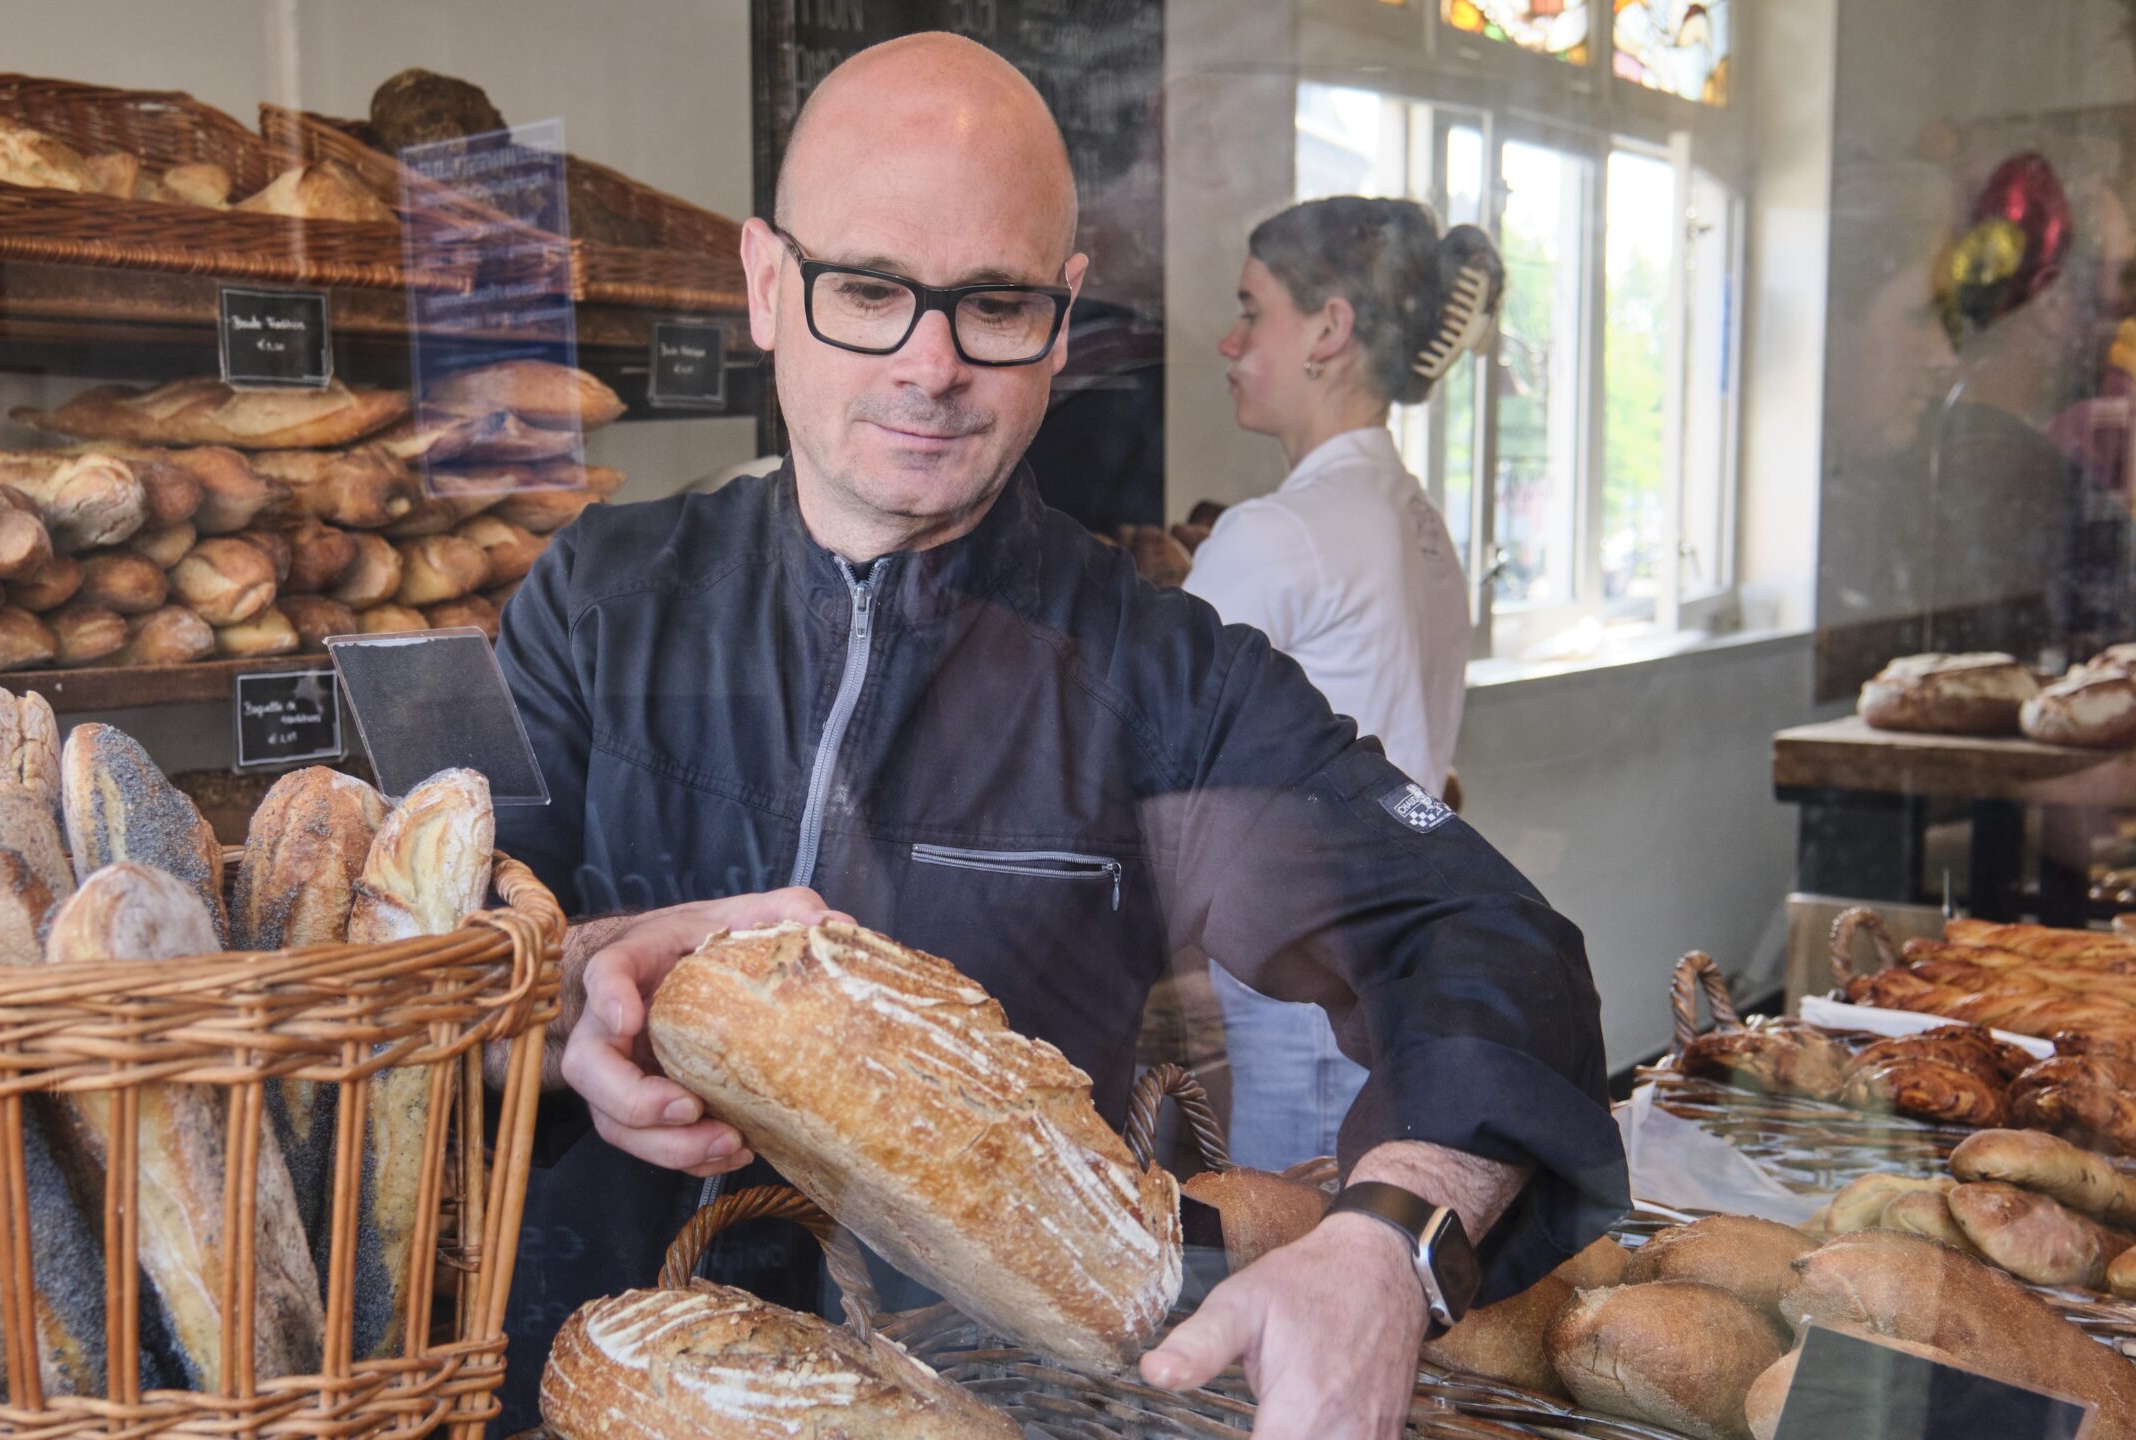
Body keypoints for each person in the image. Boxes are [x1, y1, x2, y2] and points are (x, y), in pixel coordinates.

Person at [491, 33, 1625, 1440]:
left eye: (995, 306)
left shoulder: (1161, 676)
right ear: (769, 286)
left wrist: (1386, 1243)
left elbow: (1482, 940)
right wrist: (564, 1013)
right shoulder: (599, 601)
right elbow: (437, 963)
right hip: (583, 1384)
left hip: (977, 1404)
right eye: (868, 291)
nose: (932, 365)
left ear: (1065, 318)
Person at [1181, 199, 1500, 1169]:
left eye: (1251, 310)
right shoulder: (1417, 521)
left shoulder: (1283, 532)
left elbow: (1147, 742)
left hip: (1306, 999)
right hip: (1393, 975)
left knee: (1298, 1261)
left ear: (1329, 328)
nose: (1229, 342)